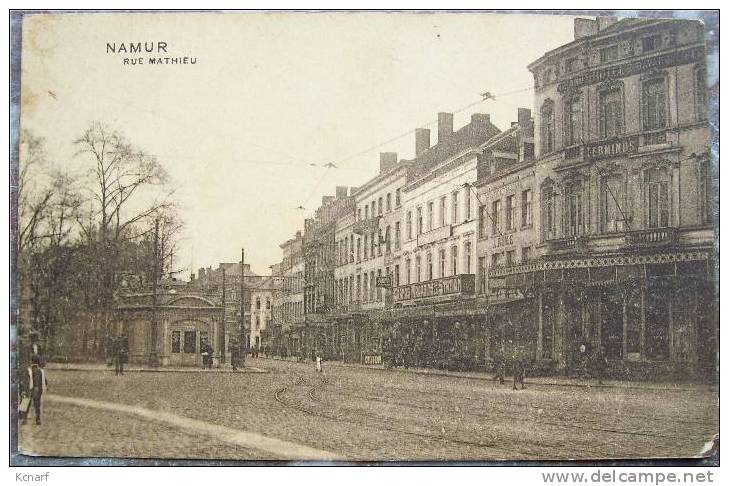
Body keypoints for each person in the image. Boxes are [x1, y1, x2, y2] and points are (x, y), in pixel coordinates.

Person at [24, 356, 48, 425]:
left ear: (31, 361)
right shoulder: (40, 371)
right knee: (37, 405)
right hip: (37, 389)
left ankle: (24, 419)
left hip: (29, 388)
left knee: (25, 402)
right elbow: (43, 381)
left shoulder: (28, 369)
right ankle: (38, 419)